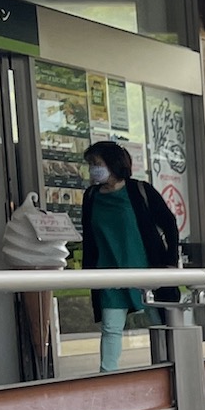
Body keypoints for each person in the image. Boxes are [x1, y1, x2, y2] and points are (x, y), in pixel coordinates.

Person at [78, 139, 181, 373]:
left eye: (97, 163)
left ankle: (170, 369)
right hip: (108, 273)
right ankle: (108, 377)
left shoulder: (139, 190)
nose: (93, 169)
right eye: (91, 164)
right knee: (111, 328)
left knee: (161, 323)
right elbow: (90, 236)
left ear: (113, 164)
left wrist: (170, 262)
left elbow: (169, 223)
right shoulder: (91, 196)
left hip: (147, 271)